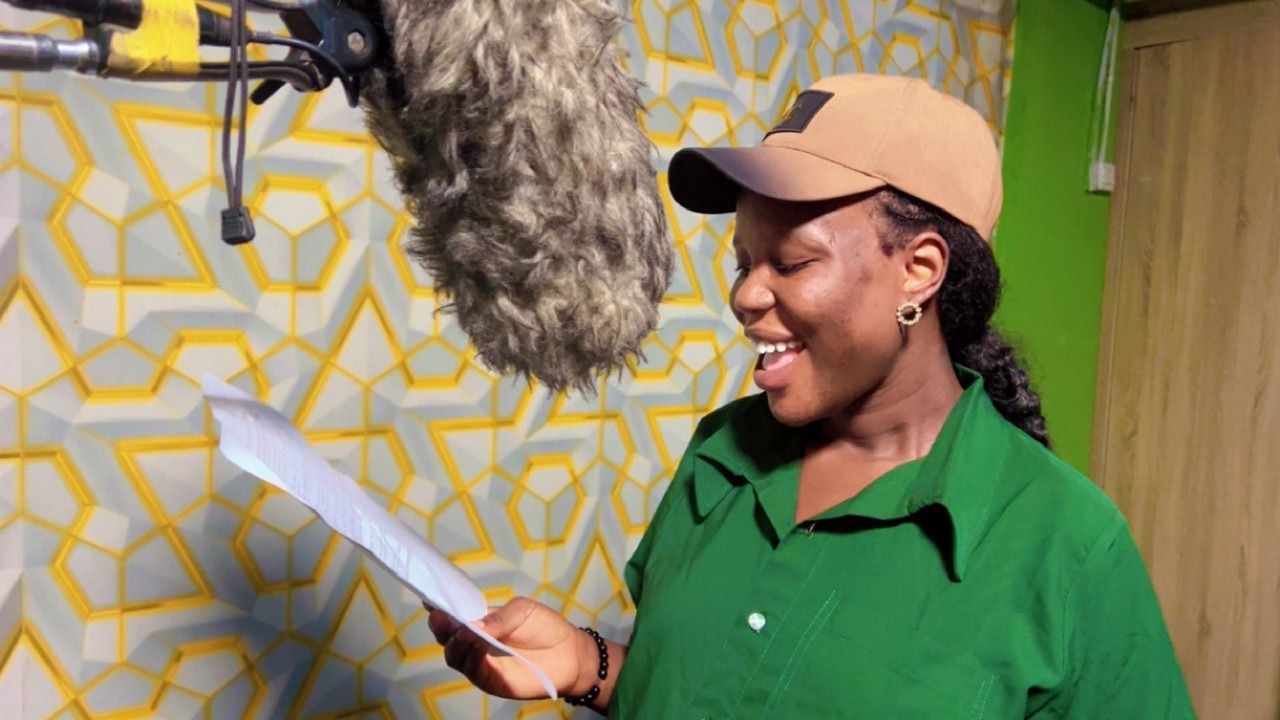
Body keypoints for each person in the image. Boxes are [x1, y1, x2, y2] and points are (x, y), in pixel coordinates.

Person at [426, 74, 1195, 718]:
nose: (745, 296)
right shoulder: (721, 454)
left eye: (791, 263)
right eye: (744, 262)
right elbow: (699, 690)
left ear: (919, 271)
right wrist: (584, 664)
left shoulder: (1069, 546)